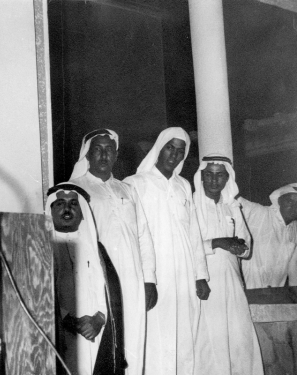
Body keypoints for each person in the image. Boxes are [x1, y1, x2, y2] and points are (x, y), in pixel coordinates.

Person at [69, 128, 156, 375]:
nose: (104, 155)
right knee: (101, 348)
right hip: (100, 283)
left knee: (133, 342)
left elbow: (143, 235)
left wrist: (149, 280)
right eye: (98, 149)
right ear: (87, 154)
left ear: (116, 155)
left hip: (133, 279)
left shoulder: (127, 190)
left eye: (109, 150)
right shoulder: (75, 189)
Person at [124, 127, 210, 375]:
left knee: (185, 336)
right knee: (156, 336)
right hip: (155, 273)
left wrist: (200, 274)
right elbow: (136, 234)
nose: (174, 154)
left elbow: (193, 232)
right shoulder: (135, 183)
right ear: (159, 149)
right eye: (169, 148)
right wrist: (147, 280)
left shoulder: (184, 185)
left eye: (180, 151)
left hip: (183, 273)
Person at [192, 154, 263, 375]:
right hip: (205, 283)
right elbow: (187, 245)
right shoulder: (191, 204)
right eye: (209, 175)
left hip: (232, 282)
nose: (214, 181)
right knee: (208, 341)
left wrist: (239, 246)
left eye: (220, 175)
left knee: (238, 338)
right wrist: (218, 242)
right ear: (202, 176)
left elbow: (247, 245)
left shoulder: (232, 206)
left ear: (227, 178)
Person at [46, 183, 126, 375]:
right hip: (58, 335)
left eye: (74, 203)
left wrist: (99, 319)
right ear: (50, 211)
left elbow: (110, 296)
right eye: (59, 204)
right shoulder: (39, 248)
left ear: (83, 212)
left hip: (95, 335)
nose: (67, 209)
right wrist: (68, 320)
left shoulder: (97, 250)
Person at [239, 183, 297, 288]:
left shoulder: (294, 229)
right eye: (290, 201)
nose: (295, 207)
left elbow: (293, 269)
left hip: (274, 295)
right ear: (279, 201)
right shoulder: (260, 213)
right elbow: (234, 199)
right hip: (248, 291)